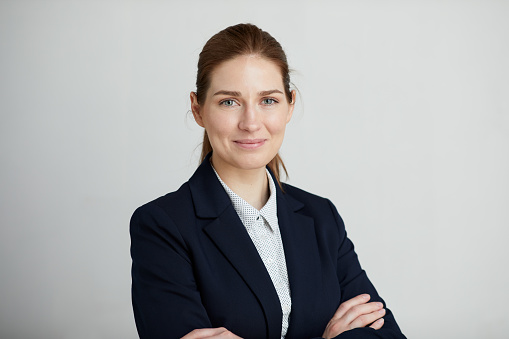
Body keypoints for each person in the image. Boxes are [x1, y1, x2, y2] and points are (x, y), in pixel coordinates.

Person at [130, 23, 406, 339]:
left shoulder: (321, 217)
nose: (250, 123)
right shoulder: (162, 226)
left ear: (290, 105)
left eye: (268, 100)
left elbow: (387, 335)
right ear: (198, 109)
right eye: (229, 101)